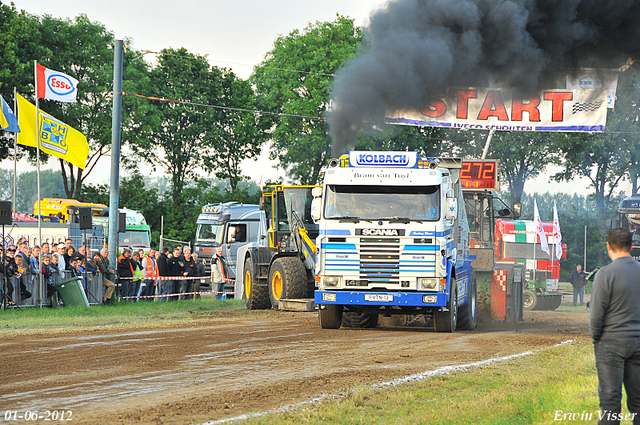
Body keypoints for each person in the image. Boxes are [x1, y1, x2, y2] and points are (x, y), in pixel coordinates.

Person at [590, 228, 640, 424]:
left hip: (611, 344)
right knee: (638, 402)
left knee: (610, 402)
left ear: (608, 246)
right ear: (632, 246)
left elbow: (596, 315)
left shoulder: (605, 274)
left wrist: (596, 338)